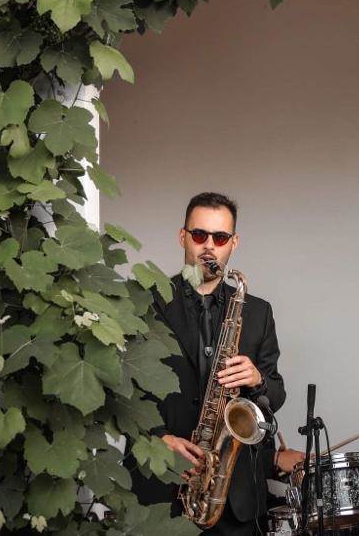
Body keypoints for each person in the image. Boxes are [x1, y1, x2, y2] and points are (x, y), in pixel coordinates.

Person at [130, 192, 305, 534]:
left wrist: (257, 379)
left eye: (220, 238)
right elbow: (123, 391)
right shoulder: (145, 304)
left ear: (233, 243)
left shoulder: (258, 312)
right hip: (162, 488)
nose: (209, 246)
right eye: (199, 235)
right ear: (183, 237)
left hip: (236, 499)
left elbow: (276, 394)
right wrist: (157, 438)